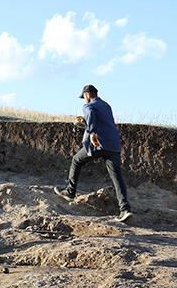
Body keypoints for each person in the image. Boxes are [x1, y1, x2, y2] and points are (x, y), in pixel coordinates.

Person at [54, 85, 133, 223]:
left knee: (76, 160)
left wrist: (90, 131)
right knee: (117, 177)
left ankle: (70, 192)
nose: (84, 99)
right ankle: (125, 210)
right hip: (114, 144)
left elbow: (90, 114)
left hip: (99, 142)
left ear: (87, 94)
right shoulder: (106, 105)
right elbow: (103, 121)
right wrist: (87, 125)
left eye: (84, 96)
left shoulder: (88, 105)